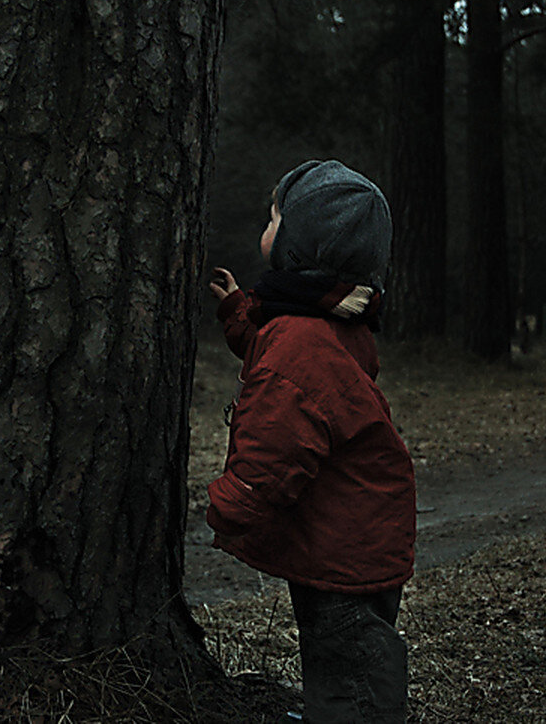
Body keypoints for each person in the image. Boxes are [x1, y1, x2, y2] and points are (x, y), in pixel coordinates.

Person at [206, 160, 417, 723]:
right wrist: (238, 316)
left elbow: (278, 441)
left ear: (303, 242)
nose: (267, 223)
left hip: (346, 543)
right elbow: (277, 353)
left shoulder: (302, 344)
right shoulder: (322, 319)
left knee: (348, 655)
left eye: (276, 216)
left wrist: (235, 499)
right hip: (349, 533)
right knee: (338, 646)